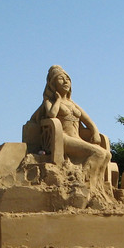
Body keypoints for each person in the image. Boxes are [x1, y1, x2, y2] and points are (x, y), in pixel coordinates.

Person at [29, 65, 111, 194]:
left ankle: (97, 186)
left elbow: (89, 121)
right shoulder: (49, 101)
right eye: (61, 79)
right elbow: (51, 114)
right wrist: (57, 100)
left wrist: (95, 132)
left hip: (77, 138)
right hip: (64, 139)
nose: (66, 81)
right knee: (98, 153)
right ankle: (83, 184)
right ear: (52, 83)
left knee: (107, 154)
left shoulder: (73, 104)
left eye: (68, 79)